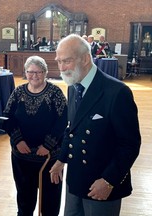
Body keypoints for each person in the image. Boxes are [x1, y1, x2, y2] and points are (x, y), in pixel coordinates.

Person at [50, 34, 141, 216]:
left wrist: (109, 180)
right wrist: (62, 158)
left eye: (66, 61)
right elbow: (73, 128)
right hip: (75, 179)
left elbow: (130, 144)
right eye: (58, 61)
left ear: (84, 59)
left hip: (101, 184)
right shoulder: (73, 86)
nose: (61, 68)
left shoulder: (117, 92)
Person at [3, 55, 68, 216]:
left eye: (38, 72)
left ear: (45, 73)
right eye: (30, 72)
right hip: (21, 156)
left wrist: (47, 145)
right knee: (25, 196)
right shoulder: (18, 92)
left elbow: (63, 121)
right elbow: (8, 118)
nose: (34, 76)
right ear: (25, 72)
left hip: (49, 158)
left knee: (50, 199)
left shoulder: (55, 93)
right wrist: (17, 140)